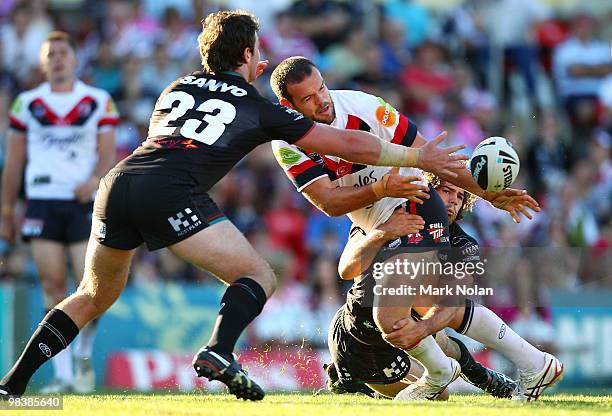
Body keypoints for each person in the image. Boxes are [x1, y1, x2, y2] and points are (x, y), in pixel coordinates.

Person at [0, 11, 466, 401]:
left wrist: (242, 82)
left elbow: (197, 116)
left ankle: (12, 385)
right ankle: (220, 350)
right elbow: (343, 141)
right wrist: (414, 156)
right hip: (171, 190)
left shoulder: (176, 87)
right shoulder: (259, 105)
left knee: (92, 294)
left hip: (118, 182)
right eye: (258, 52)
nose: (262, 59)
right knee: (259, 275)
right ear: (247, 56)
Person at [270, 56, 539, 399]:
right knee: (410, 323)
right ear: (287, 104)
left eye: (321, 87)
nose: (322, 99)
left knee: (418, 321)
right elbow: (333, 217)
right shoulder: (287, 145)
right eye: (308, 98)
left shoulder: (366, 107)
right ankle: (512, 365)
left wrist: (489, 194)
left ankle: (495, 369)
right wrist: (380, 218)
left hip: (410, 216)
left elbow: (431, 157)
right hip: (359, 313)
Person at [334, 176, 563, 401]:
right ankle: (350, 380)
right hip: (361, 339)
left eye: (460, 195)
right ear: (428, 190)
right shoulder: (391, 215)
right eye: (445, 191)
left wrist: (424, 328)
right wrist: (383, 232)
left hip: (405, 330)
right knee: (440, 392)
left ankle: (499, 376)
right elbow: (346, 270)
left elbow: (454, 300)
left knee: (442, 326)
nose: (453, 200)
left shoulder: (464, 245)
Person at [1, 31, 118, 393]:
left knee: (89, 287)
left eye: (63, 53)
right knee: (53, 284)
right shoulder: (27, 103)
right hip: (41, 200)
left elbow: (107, 154)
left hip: (83, 202)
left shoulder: (98, 101)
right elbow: (15, 159)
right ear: (42, 62)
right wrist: (6, 208)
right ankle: (64, 375)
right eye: (51, 54)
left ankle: (83, 353)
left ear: (75, 58)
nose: (58, 59)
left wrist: (96, 179)